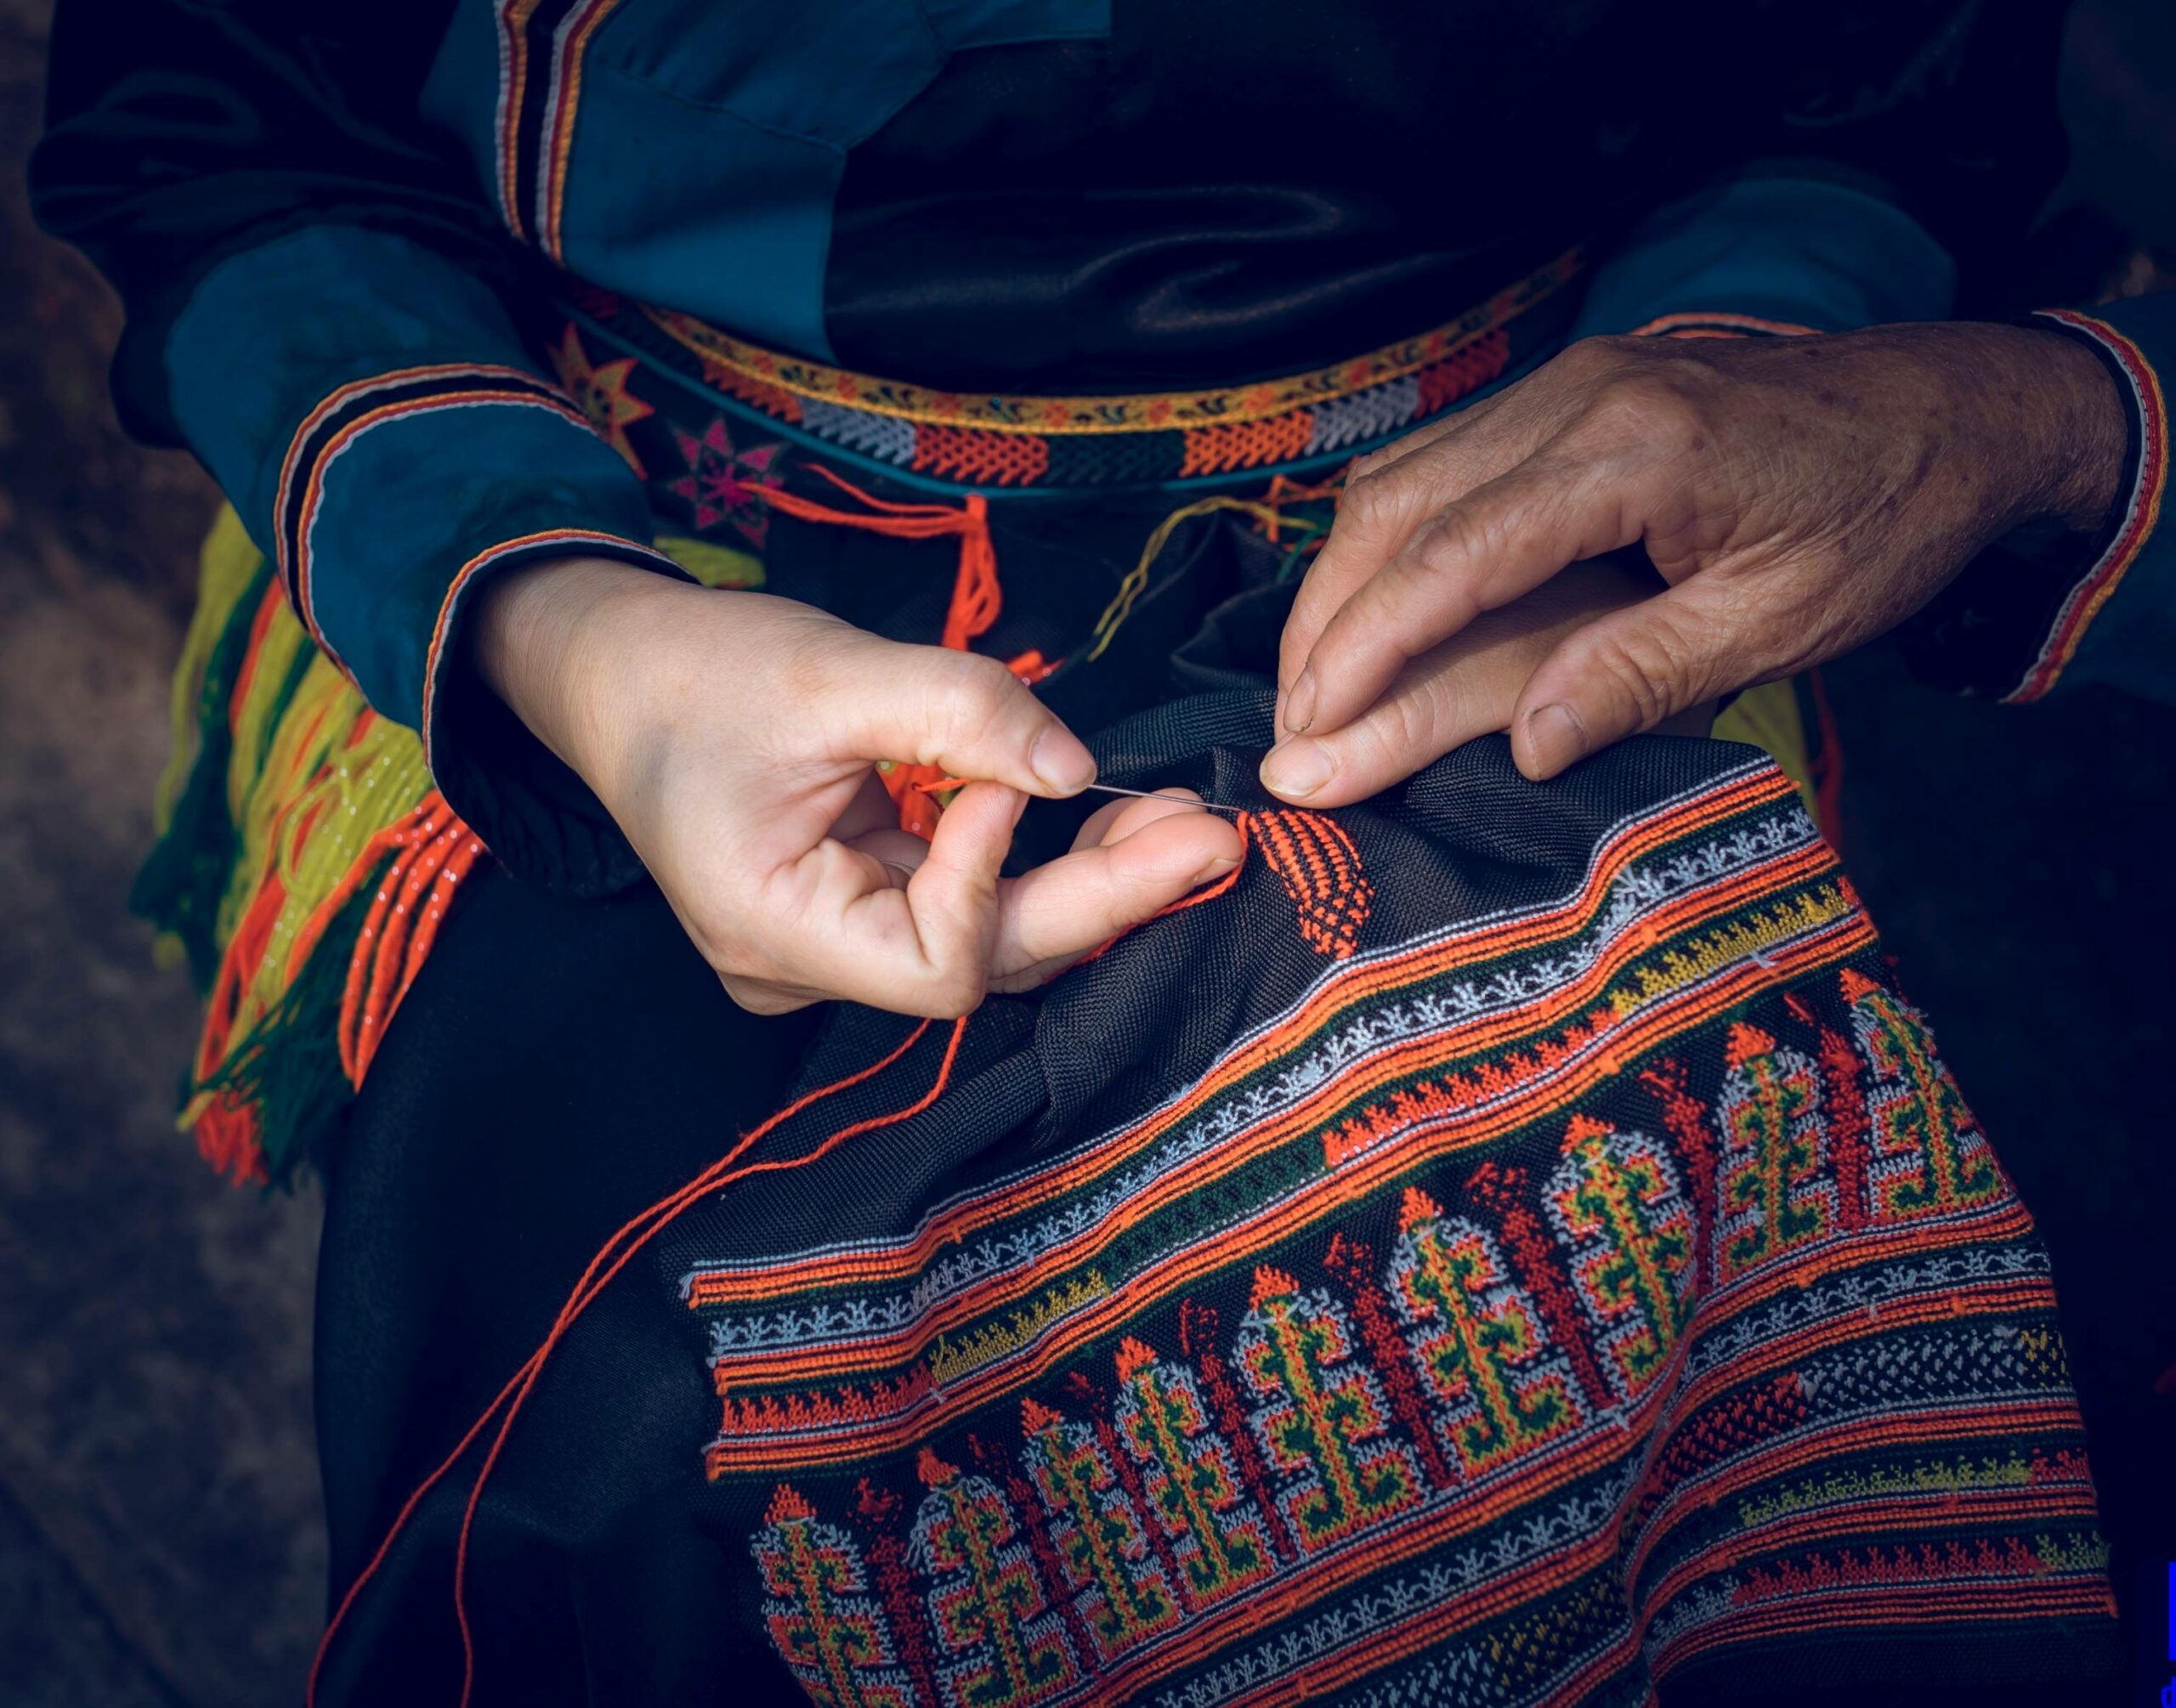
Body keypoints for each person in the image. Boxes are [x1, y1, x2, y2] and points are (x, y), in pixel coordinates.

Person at [29, 2, 2166, 1702]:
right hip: (636, 522)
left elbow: (1869, 96)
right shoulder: (590, 609)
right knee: (617, 1422)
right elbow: (219, 112)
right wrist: (564, 635)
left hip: (1560, 523)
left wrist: (1721, 371)